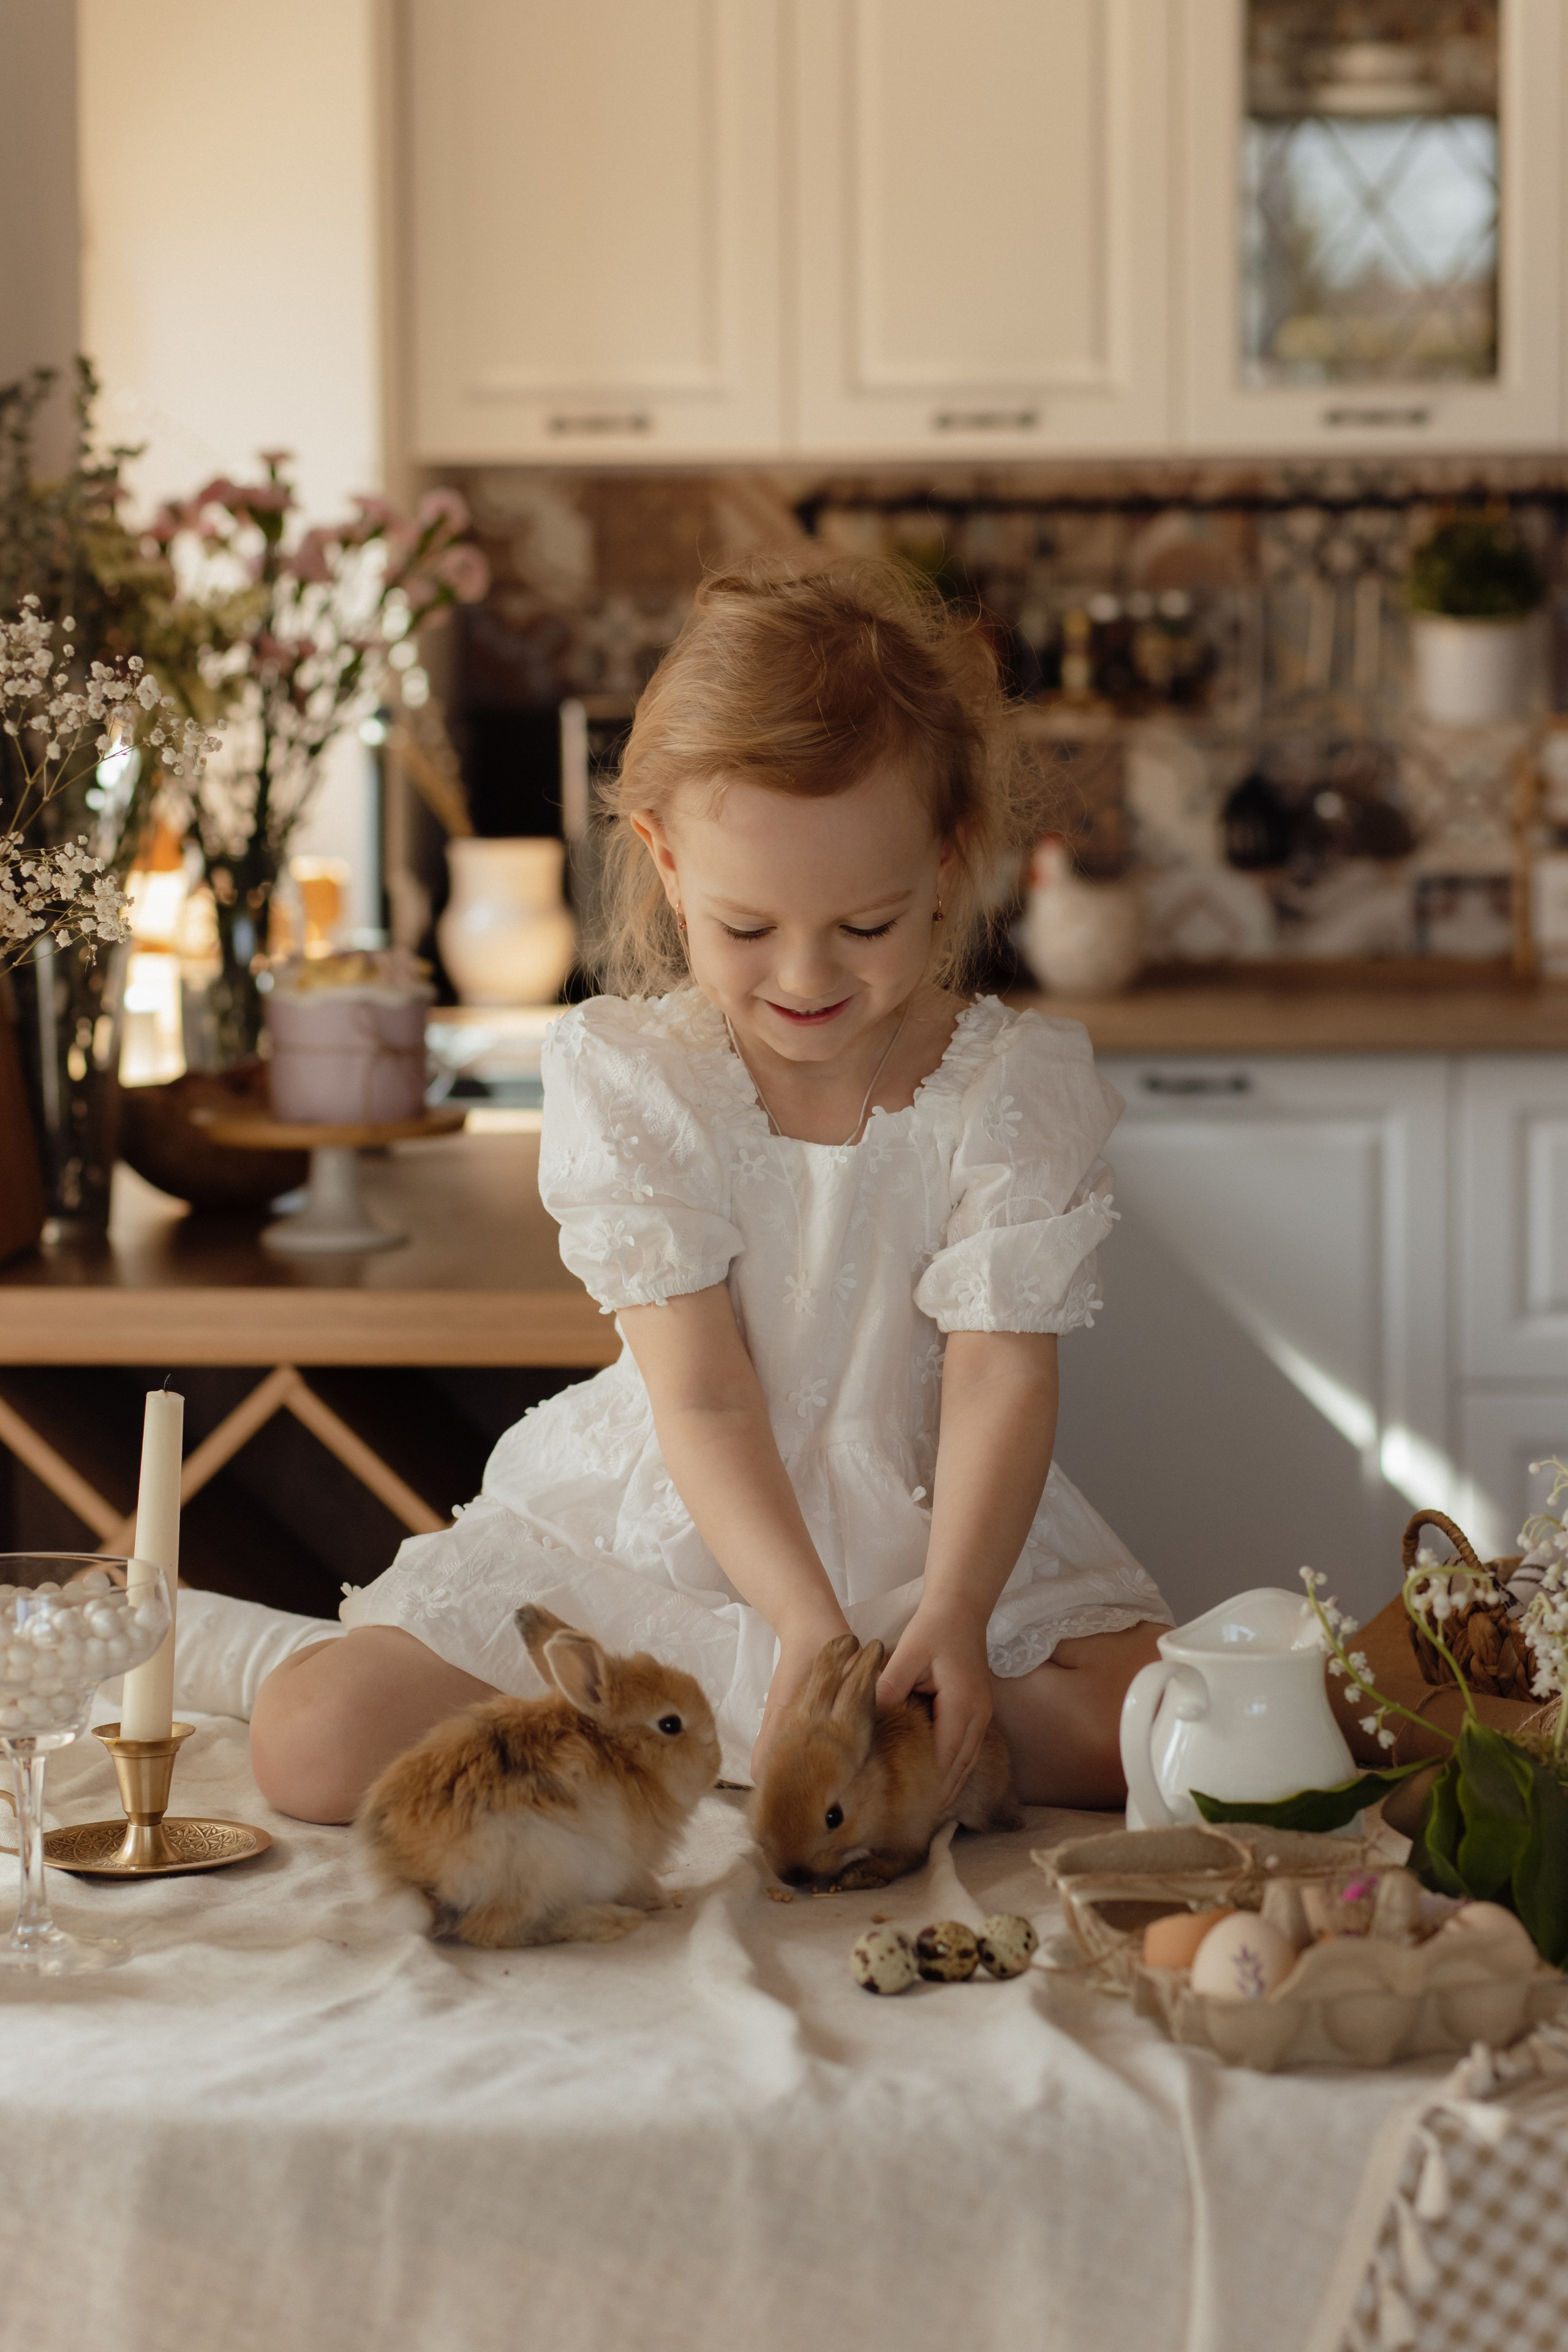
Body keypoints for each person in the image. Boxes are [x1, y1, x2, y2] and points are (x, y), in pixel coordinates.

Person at [249, 557, 1170, 1823]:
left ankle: (764, 1728)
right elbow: (704, 1394)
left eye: (865, 925)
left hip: (931, 1532)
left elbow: (999, 1373)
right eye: (747, 929)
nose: (804, 974)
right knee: (310, 1739)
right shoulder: (636, 1078)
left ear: (947, 864)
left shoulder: (1009, 1086)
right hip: (671, 1521)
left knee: (1154, 1734)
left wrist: (953, 1613)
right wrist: (798, 1625)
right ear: (665, 865)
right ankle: (808, 1731)